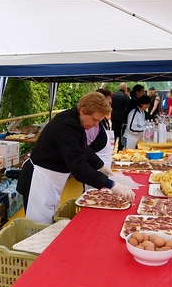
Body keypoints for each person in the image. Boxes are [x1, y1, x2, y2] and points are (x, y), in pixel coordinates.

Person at [16, 91, 135, 223]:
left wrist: (101, 166)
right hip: (39, 180)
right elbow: (78, 166)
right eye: (95, 120)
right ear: (83, 111)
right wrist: (111, 184)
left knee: (47, 219)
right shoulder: (66, 126)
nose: (96, 125)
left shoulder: (76, 121)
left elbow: (83, 149)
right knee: (37, 226)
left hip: (51, 180)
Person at [111, 82, 130, 151]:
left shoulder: (113, 96)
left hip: (114, 117)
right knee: (121, 134)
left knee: (114, 134)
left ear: (119, 88)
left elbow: (110, 105)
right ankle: (120, 149)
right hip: (122, 118)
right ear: (125, 89)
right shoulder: (126, 97)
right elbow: (128, 108)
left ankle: (111, 148)